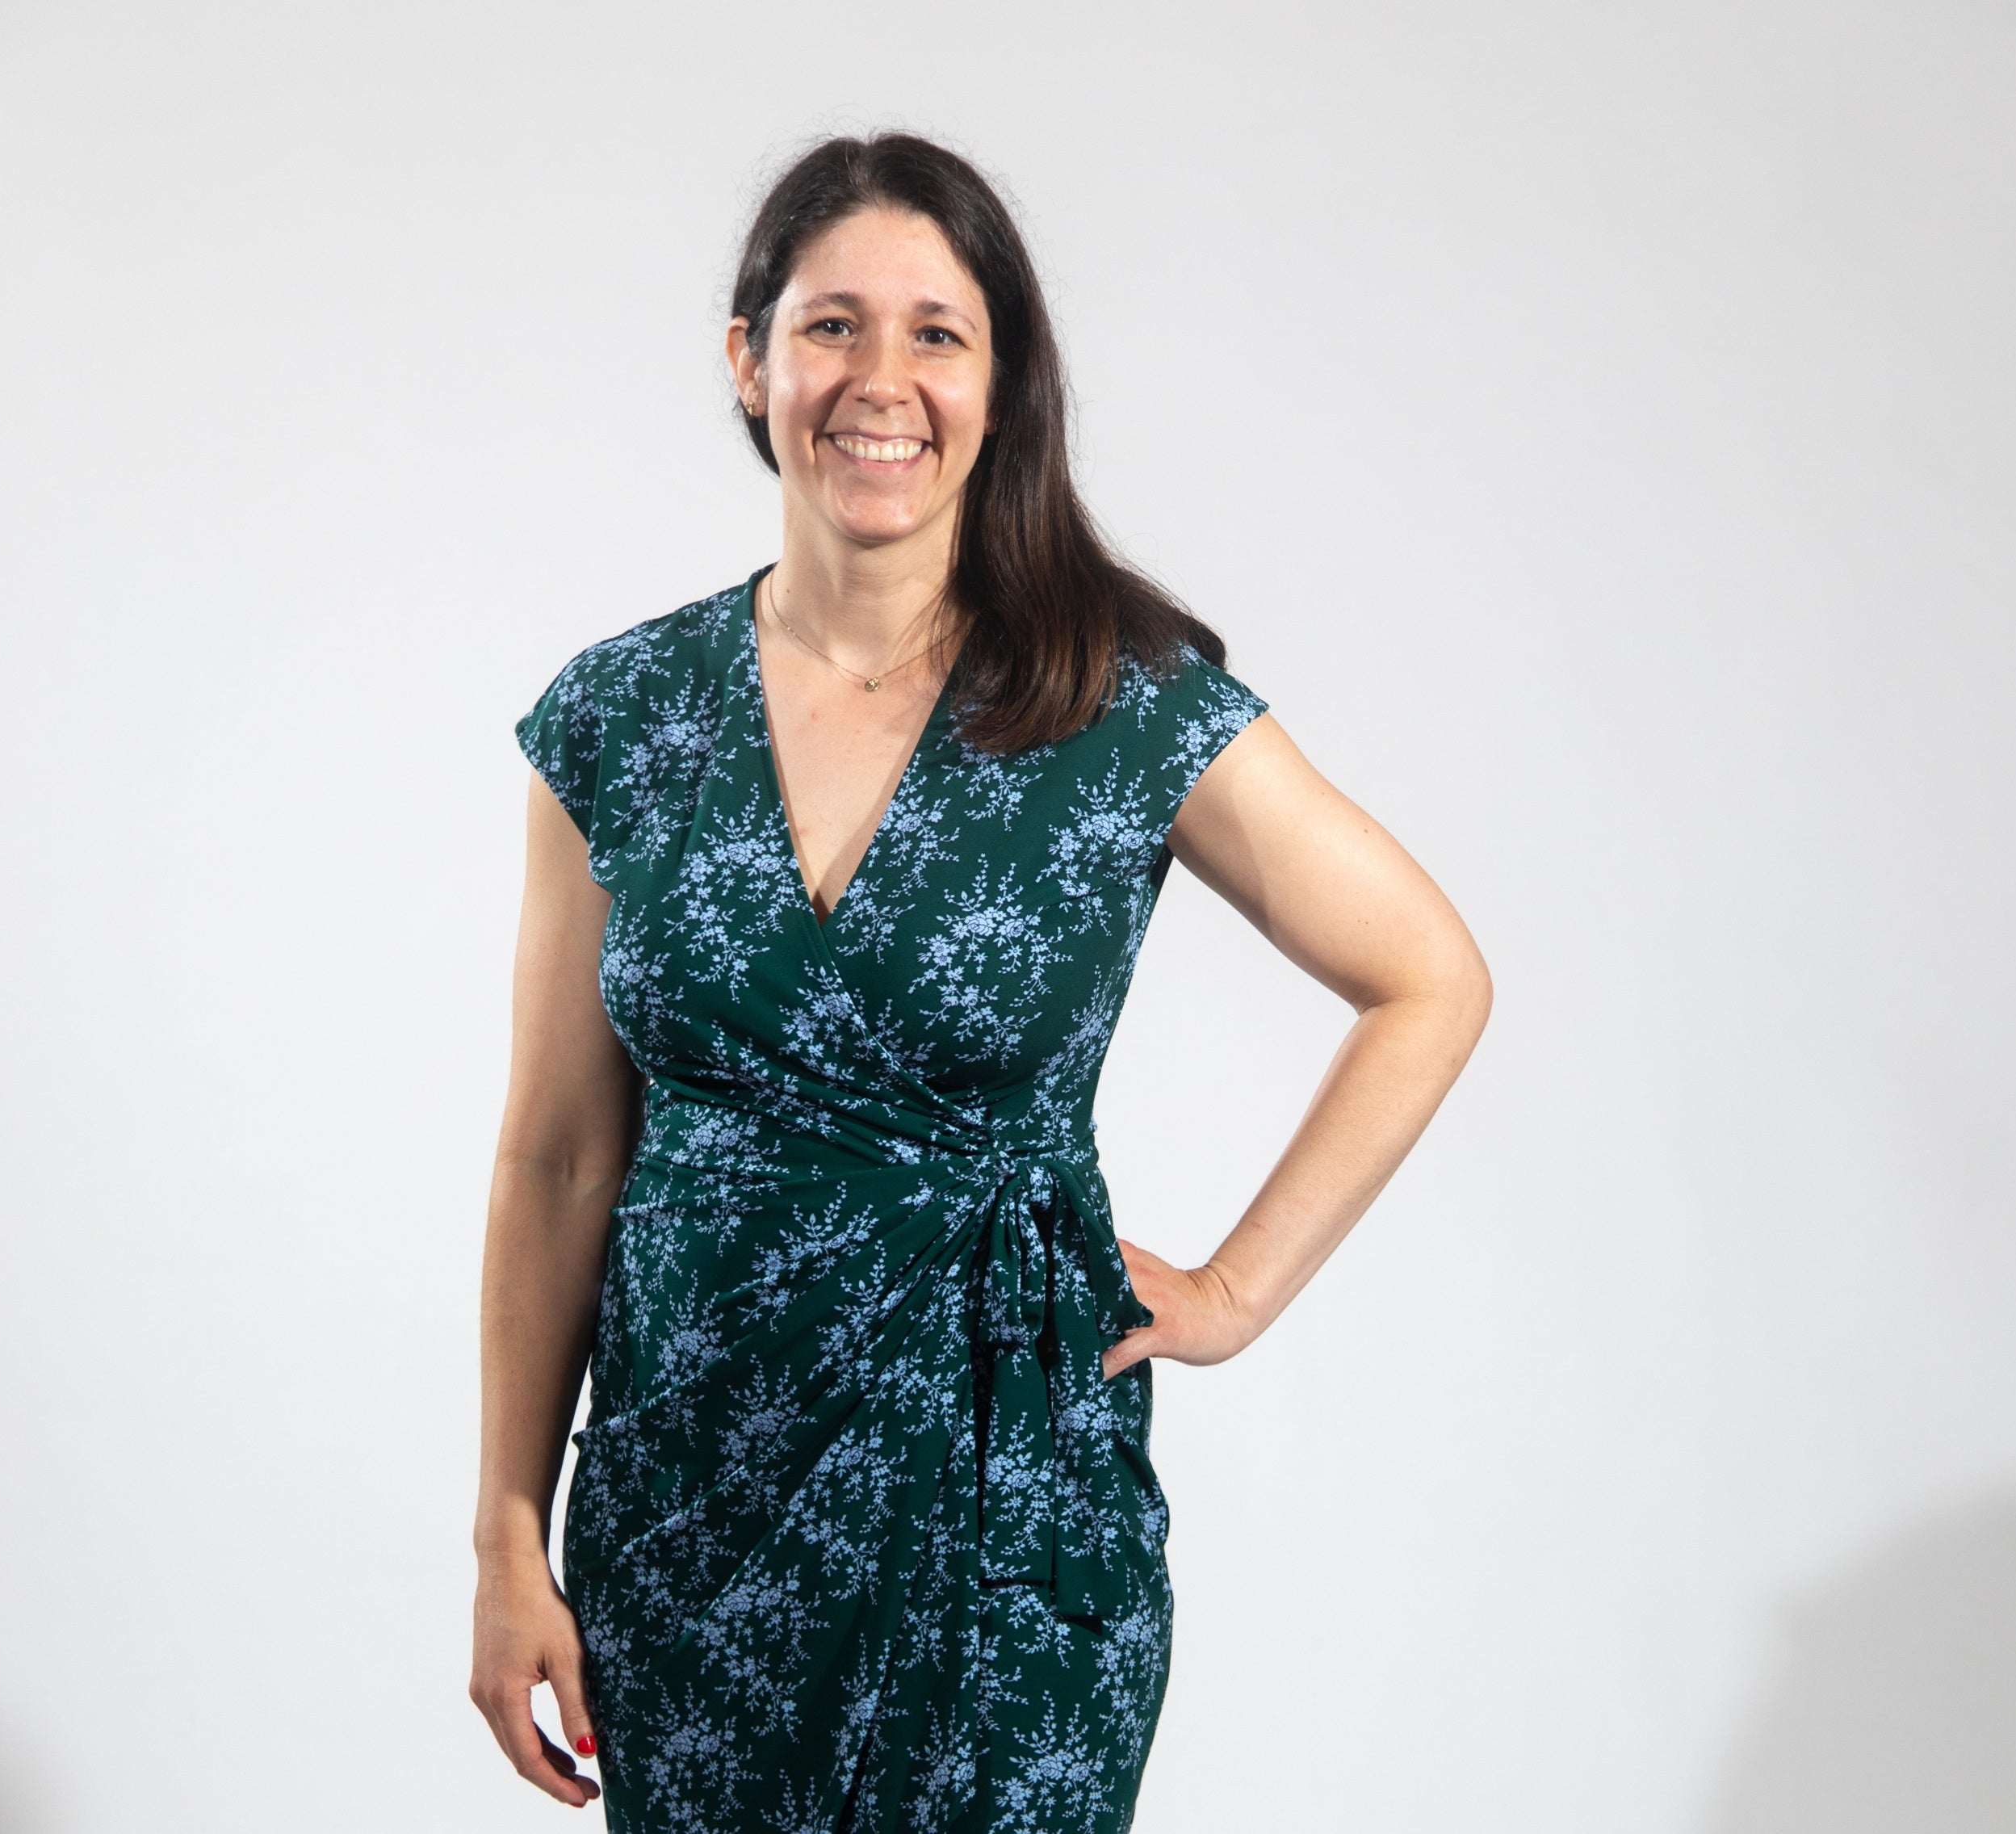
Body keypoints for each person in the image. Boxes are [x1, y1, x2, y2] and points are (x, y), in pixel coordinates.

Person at [469, 131, 1490, 1834]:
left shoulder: (1124, 701)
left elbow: (1427, 976)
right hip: (688, 1506)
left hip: (1000, 1512)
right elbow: (562, 1153)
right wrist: (509, 1519)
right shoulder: (619, 717)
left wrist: (1235, 1290)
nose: (882, 381)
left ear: (1004, 383)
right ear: (750, 357)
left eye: (938, 333)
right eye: (831, 326)